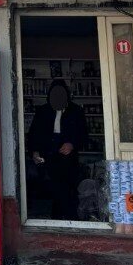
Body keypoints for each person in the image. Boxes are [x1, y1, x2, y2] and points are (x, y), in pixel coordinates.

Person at [27, 80, 88, 220]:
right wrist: (34, 152)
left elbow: (84, 134)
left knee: (68, 190)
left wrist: (72, 144)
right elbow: (33, 134)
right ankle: (53, 218)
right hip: (47, 156)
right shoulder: (42, 111)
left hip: (68, 159)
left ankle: (70, 219)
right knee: (49, 189)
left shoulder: (76, 111)